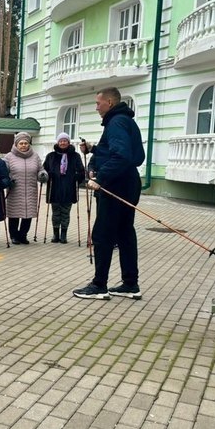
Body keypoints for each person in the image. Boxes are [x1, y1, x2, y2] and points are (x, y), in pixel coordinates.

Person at [73, 87, 145, 300]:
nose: (96, 107)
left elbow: (121, 156)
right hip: (129, 181)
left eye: (98, 103)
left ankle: (99, 285)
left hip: (116, 184)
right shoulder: (124, 121)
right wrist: (94, 149)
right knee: (124, 233)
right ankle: (131, 284)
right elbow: (123, 153)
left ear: (110, 103)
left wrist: (100, 178)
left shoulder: (116, 122)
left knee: (103, 234)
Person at [3, 132, 47, 245]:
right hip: (15, 190)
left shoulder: (35, 156)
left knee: (28, 214)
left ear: (29, 144)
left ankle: (23, 235)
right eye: (21, 143)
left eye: (26, 143)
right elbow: (3, 172)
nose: (23, 145)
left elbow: (40, 169)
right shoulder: (9, 157)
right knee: (14, 214)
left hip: (31, 190)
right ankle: (14, 236)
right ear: (16, 144)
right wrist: (7, 180)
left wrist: (42, 174)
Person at [43, 132, 85, 244]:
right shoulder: (51, 156)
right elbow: (44, 170)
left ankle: (64, 234)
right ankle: (55, 234)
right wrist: (47, 175)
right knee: (56, 212)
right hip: (54, 188)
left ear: (68, 142)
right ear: (58, 142)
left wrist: (78, 176)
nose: (63, 143)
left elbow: (81, 171)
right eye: (61, 141)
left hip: (68, 187)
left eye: (65, 141)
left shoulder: (75, 156)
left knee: (65, 212)